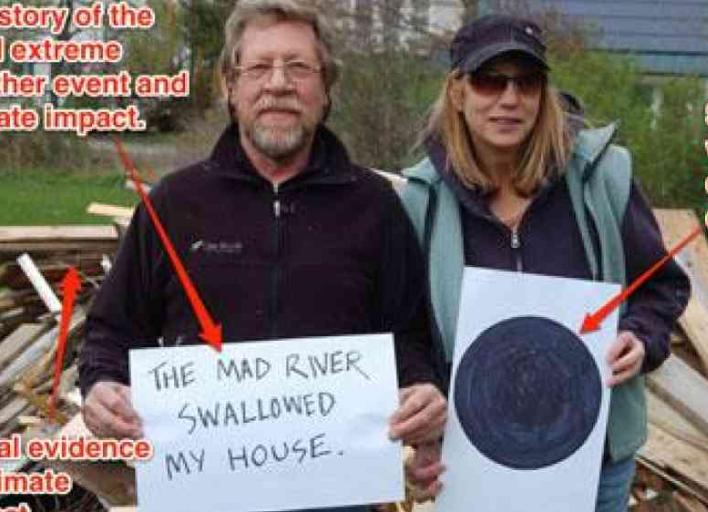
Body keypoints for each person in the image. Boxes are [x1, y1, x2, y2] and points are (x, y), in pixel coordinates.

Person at [79, 1, 446, 510]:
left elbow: (408, 336)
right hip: (198, 490)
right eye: (258, 67)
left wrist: (422, 388)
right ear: (231, 88)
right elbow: (111, 332)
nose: (278, 84)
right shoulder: (173, 205)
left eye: (299, 67)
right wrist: (102, 385)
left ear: (325, 90)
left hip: (336, 494)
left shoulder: (375, 207)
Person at [399, 14, 691, 512]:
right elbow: (408, 330)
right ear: (457, 91)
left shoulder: (604, 177)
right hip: (476, 462)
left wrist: (639, 338)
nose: (509, 98)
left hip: (594, 462)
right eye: (490, 80)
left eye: (526, 82)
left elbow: (660, 287)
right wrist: (422, 397)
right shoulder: (419, 201)